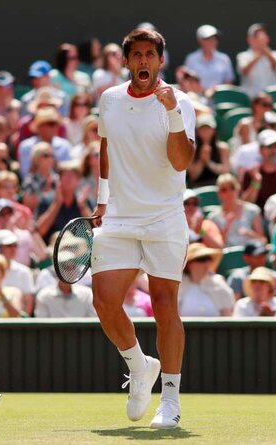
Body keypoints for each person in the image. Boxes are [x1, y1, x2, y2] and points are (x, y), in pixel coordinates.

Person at [91, 28, 196, 429]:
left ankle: (170, 400)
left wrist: (170, 111)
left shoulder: (180, 102)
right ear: (127, 61)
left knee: (165, 306)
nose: (143, 61)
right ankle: (140, 366)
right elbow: (105, 146)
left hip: (164, 218)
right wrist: (102, 200)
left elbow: (181, 160)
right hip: (118, 216)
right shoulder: (110, 100)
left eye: (150, 54)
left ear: (160, 61)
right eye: (136, 55)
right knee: (104, 302)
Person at [207, 173, 266, 247]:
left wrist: (250, 234)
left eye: (232, 188)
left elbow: (264, 241)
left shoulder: (253, 210)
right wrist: (226, 228)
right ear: (218, 193)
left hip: (250, 256)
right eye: (224, 190)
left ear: (238, 189)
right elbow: (216, 246)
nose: (229, 193)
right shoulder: (213, 217)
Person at [178, 243, 234, 316]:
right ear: (189, 264)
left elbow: (227, 316)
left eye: (209, 259)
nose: (207, 263)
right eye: (201, 259)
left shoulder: (219, 283)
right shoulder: (178, 285)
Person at [183, 24, 235, 94]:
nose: (212, 41)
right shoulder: (191, 59)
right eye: (207, 39)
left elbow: (228, 82)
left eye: (214, 38)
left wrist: (215, 90)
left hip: (219, 100)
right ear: (200, 40)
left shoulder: (224, 59)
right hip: (196, 99)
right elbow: (187, 82)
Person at [236, 23, 276, 97]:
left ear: (267, 39)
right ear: (249, 40)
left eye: (262, 36)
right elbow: (244, 71)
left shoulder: (275, 54)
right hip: (250, 98)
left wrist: (265, 51)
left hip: (272, 98)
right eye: (256, 37)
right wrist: (258, 54)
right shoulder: (243, 56)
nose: (260, 39)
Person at [186, 114, 230, 188]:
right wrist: (202, 159)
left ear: (213, 130)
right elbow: (193, 175)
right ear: (197, 131)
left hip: (218, 187)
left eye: (208, 128)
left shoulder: (223, 148)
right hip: (197, 187)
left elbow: (226, 171)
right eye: (202, 129)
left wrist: (209, 163)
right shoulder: (192, 149)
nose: (205, 132)